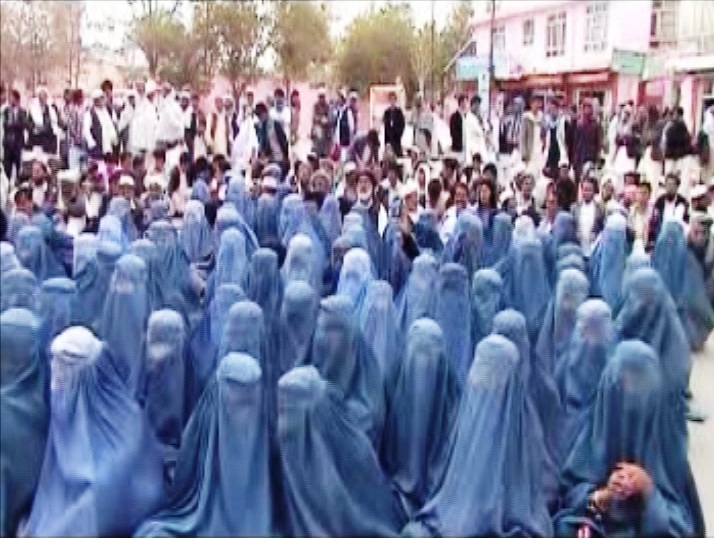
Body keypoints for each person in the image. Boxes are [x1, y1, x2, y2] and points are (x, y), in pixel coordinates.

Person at [83, 89, 118, 162]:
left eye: (102, 98)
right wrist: (92, 143)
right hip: (98, 146)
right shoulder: (89, 113)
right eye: (98, 99)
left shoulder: (110, 110)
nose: (101, 100)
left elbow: (115, 124)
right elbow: (86, 130)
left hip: (111, 144)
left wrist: (115, 138)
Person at [2, 89, 27, 181]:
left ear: (17, 99)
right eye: (9, 98)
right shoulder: (6, 111)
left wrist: (12, 124)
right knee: (7, 166)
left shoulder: (22, 111)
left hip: (18, 143)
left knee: (18, 165)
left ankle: (18, 183)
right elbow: (5, 124)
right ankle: (7, 183)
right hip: (7, 143)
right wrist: (12, 124)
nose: (10, 100)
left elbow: (23, 124)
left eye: (11, 97)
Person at [27, 86, 59, 156]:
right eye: (40, 97)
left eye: (44, 96)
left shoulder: (51, 108)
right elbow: (29, 124)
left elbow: (56, 122)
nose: (42, 99)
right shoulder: (33, 109)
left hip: (49, 139)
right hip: (37, 139)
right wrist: (35, 129)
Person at [663, 106, 692, 177]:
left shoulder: (679, 125)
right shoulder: (676, 124)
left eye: (674, 114)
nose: (673, 115)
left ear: (679, 115)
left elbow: (671, 137)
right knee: (672, 173)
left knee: (671, 174)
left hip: (674, 154)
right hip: (675, 154)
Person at [383, 91, 405, 158]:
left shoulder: (399, 112)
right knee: (389, 155)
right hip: (389, 137)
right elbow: (386, 125)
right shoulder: (387, 112)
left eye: (393, 99)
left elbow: (402, 124)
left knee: (397, 154)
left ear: (395, 100)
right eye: (391, 99)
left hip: (397, 137)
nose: (392, 101)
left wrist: (398, 133)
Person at [311, 87, 332, 158]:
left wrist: (326, 120)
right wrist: (320, 119)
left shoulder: (328, 106)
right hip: (318, 128)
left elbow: (330, 117)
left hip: (326, 129)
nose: (321, 99)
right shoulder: (316, 105)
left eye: (323, 97)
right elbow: (314, 118)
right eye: (320, 97)